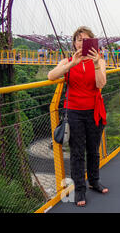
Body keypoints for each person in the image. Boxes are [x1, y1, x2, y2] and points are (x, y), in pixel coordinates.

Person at [47, 26, 108, 207]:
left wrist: (96, 63)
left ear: (93, 43)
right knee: (77, 153)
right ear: (74, 43)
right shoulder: (67, 61)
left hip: (93, 111)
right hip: (73, 112)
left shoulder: (99, 62)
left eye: (86, 39)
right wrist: (71, 64)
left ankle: (94, 181)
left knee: (93, 150)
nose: (82, 42)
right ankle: (80, 189)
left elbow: (101, 84)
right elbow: (51, 76)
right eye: (79, 39)